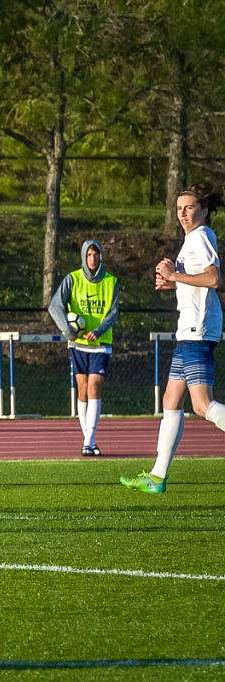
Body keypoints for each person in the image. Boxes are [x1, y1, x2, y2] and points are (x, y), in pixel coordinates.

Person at [122, 182, 224, 494]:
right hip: (188, 329)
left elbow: (214, 278)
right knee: (170, 400)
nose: (183, 213)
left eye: (189, 207)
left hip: (198, 329)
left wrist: (174, 275)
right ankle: (156, 477)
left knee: (202, 404)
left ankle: (157, 476)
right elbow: (196, 282)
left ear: (203, 211)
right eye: (179, 208)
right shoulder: (191, 240)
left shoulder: (201, 235)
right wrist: (173, 284)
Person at [48, 240, 120, 456]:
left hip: (100, 343)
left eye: (96, 255)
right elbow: (55, 306)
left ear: (101, 257)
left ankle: (88, 441)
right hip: (78, 344)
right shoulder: (73, 278)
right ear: (83, 256)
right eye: (88, 255)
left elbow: (113, 313)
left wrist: (98, 331)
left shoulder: (111, 281)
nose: (92, 259)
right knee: (82, 388)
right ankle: (89, 441)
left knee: (94, 386)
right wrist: (68, 331)